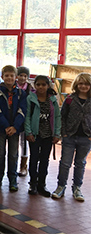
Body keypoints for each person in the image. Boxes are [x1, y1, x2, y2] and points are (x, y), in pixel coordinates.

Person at [52, 73, 91, 201]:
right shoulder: (70, 99)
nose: (83, 86)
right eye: (81, 83)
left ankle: (77, 188)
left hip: (86, 137)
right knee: (65, 163)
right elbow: (62, 116)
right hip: (69, 135)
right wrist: (63, 133)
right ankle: (61, 186)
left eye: (86, 84)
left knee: (80, 163)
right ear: (76, 85)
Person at [0, 65, 27, 192]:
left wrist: (15, 126)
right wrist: (6, 126)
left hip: (15, 130)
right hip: (0, 128)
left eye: (12, 75)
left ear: (16, 77)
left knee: (13, 154)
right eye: (7, 75)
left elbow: (23, 111)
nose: (9, 78)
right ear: (2, 77)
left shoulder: (21, 93)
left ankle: (13, 179)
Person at [25, 75, 61, 197]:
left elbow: (57, 117)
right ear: (35, 85)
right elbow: (27, 116)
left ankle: (42, 184)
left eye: (43, 84)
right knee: (34, 158)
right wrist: (28, 132)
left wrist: (57, 133)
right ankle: (33, 183)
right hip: (35, 135)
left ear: (48, 86)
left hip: (48, 136)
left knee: (44, 160)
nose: (41, 87)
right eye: (38, 84)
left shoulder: (53, 100)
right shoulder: (31, 98)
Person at [16, 66, 33, 177]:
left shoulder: (30, 89)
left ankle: (23, 166)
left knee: (24, 143)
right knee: (13, 143)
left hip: (26, 118)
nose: (22, 78)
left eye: (24, 76)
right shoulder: (13, 87)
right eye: (20, 75)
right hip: (14, 118)